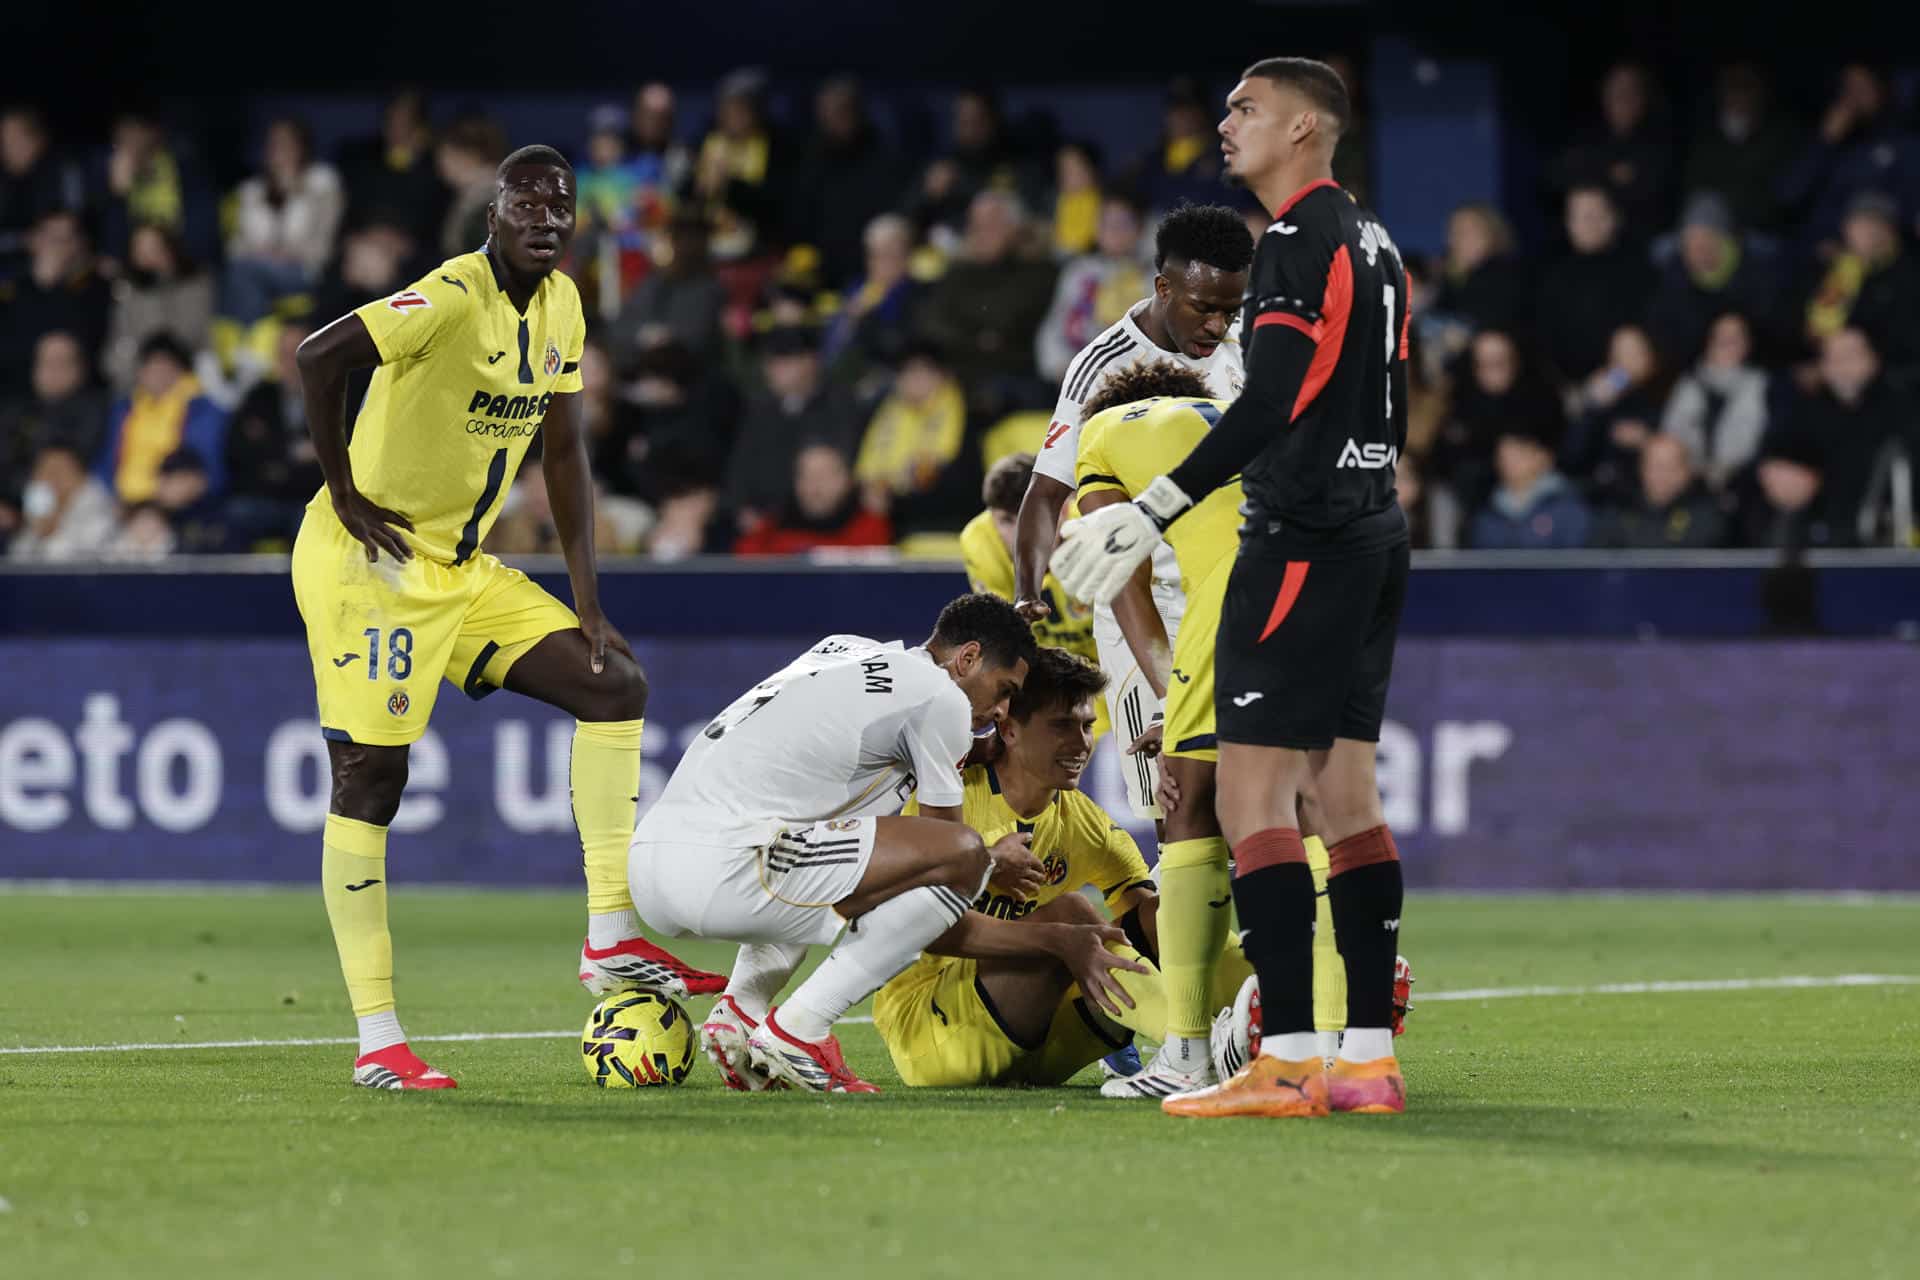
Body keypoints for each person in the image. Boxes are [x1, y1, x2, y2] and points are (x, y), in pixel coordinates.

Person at [289, 144, 723, 1091]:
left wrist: (588, 599)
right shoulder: (448, 295)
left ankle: (610, 935)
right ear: (493, 213)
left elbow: (564, 455)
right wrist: (345, 493)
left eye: (560, 206)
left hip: (462, 566)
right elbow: (317, 356)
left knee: (614, 683)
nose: (545, 218)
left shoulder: (564, 307)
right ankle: (378, 1039)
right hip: (372, 565)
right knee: (373, 778)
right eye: (527, 202)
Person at [1052, 57, 1413, 1118]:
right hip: (1374, 527)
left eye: (1246, 109)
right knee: (1345, 795)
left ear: (1306, 126)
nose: (1225, 123)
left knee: (1252, 793)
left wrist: (1152, 506)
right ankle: (1367, 1059)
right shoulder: (1378, 241)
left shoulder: (1299, 240)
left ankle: (1288, 1058)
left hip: (1302, 536)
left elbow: (1275, 400)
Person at [634, 594, 1058, 1092]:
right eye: (1005, 689)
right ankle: (801, 1031)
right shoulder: (941, 699)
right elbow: (946, 854)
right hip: (724, 870)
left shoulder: (845, 650)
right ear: (966, 659)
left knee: (830, 841)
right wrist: (990, 863)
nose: (1003, 710)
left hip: (652, 865)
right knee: (961, 856)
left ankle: (741, 1013)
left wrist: (998, 631)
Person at [1072, 361, 1352, 1098]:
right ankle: (1330, 1050)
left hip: (1240, 586)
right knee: (1307, 811)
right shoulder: (1231, 412)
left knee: (1187, 800)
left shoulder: (1100, 435)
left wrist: (1172, 697)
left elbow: (1119, 570)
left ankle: (1186, 1053)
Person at [874, 646, 1250, 1087]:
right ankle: (1190, 1047)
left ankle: (1286, 1021)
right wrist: (1056, 938)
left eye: (1088, 725)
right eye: (1061, 726)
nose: (1081, 743)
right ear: (1009, 729)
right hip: (936, 1037)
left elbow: (1158, 927)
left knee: (1163, 918)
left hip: (1043, 1050)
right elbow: (908, 928)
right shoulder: (947, 804)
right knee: (1071, 915)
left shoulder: (1084, 822)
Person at [1010, 202, 1251, 822]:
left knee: (1260, 790)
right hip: (1144, 602)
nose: (1219, 323)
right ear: (1163, 287)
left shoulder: (1251, 341)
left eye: (1231, 307)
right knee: (1176, 807)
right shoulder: (1101, 367)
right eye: (1205, 308)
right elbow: (1046, 493)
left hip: (1234, 587)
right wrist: (1025, 595)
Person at [958, 452, 1099, 706]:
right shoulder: (980, 541)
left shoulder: (1095, 528)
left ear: (1064, 510)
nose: (1018, 535)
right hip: (1040, 677)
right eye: (1006, 521)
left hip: (1105, 672)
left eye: (1030, 518)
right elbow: (1005, 639)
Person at [222, 118, 345, 323]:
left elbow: (325, 243)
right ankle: (252, 343)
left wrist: (289, 253)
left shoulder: (323, 184)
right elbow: (235, 245)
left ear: (302, 147)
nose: (279, 150)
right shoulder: (251, 191)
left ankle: (252, 345)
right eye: (273, 143)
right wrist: (263, 253)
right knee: (241, 273)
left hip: (306, 270)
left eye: (286, 143)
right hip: (257, 265)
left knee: (245, 275)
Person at [1535, 185, 1655, 385]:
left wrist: (1614, 382)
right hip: (1561, 393)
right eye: (1580, 215)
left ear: (1613, 218)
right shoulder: (1549, 277)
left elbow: (1645, 354)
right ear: (1568, 223)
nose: (1589, 223)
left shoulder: (1640, 274)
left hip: (1621, 387)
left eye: (1596, 213)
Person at [95, 332, 228, 505]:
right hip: (121, 503)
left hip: (173, 505)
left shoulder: (202, 409)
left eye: (166, 368)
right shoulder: (124, 409)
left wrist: (188, 486)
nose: (158, 376)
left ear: (182, 371)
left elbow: (210, 470)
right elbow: (106, 460)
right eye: (152, 368)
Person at [1035, 195, 1150, 383]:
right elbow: (1053, 329)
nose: (1114, 231)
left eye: (1122, 223)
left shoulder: (1154, 276)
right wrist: (1061, 368)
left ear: (1139, 230)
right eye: (1106, 222)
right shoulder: (1078, 272)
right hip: (1075, 378)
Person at [1661, 311, 1770, 492]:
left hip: (1743, 483)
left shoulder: (1762, 385)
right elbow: (1671, 431)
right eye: (1720, 338)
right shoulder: (1688, 383)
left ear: (1747, 344)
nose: (1726, 345)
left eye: (1735, 338)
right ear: (1708, 343)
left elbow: (1762, 444)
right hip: (1687, 481)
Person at [102, 223, 214, 393]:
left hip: (189, 377)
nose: (148, 258)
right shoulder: (127, 293)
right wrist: (144, 373)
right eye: (140, 251)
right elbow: (117, 351)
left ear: (170, 249)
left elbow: (199, 337)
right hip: (140, 382)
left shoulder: (197, 286)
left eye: (154, 249)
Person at [733, 443, 892, 555]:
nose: (814, 485)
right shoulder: (772, 527)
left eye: (824, 475)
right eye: (806, 476)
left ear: (846, 481)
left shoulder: (870, 526)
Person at [1591, 433, 1727, 549]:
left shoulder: (1706, 514)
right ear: (1642, 469)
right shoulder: (1620, 510)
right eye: (1655, 466)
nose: (1662, 474)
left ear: (1687, 472)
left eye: (1670, 467)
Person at [1468, 428, 1593, 550]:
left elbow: (1575, 562)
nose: (1509, 463)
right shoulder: (1487, 512)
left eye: (1518, 456)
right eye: (1503, 457)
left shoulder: (1567, 507)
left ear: (1542, 457)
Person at [5, 442, 117, 562]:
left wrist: (51, 534)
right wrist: (39, 533)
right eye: (44, 471)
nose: (52, 479)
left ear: (80, 475)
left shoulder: (99, 510)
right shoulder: (38, 507)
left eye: (59, 471)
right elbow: (16, 561)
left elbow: (70, 566)